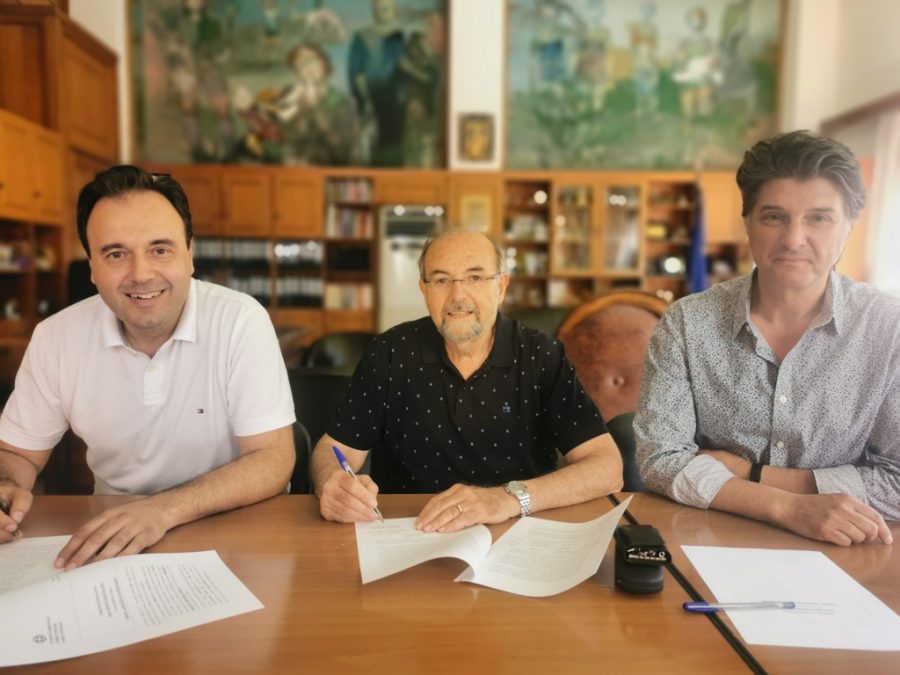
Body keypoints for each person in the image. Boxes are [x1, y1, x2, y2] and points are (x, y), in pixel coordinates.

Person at [0, 166, 296, 567]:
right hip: (115, 537)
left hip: (234, 529)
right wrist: (6, 485)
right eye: (116, 254)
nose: (141, 274)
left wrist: (161, 511)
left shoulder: (240, 320)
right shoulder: (57, 337)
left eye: (160, 250)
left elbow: (272, 459)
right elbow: (17, 452)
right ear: (92, 266)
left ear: (189, 255)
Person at [635, 130, 898, 547]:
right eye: (774, 217)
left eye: (819, 218)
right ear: (748, 224)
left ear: (848, 226)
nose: (793, 239)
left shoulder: (889, 328)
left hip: (845, 547)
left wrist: (751, 474)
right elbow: (660, 459)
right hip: (711, 540)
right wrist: (786, 507)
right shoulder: (688, 322)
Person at [311, 229, 623, 532]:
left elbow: (607, 467)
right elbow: (333, 448)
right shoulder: (390, 352)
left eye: (475, 277)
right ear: (424, 290)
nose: (457, 296)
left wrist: (506, 499)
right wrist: (330, 481)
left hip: (517, 534)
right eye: (441, 280)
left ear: (501, 286)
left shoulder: (541, 356)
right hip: (409, 531)